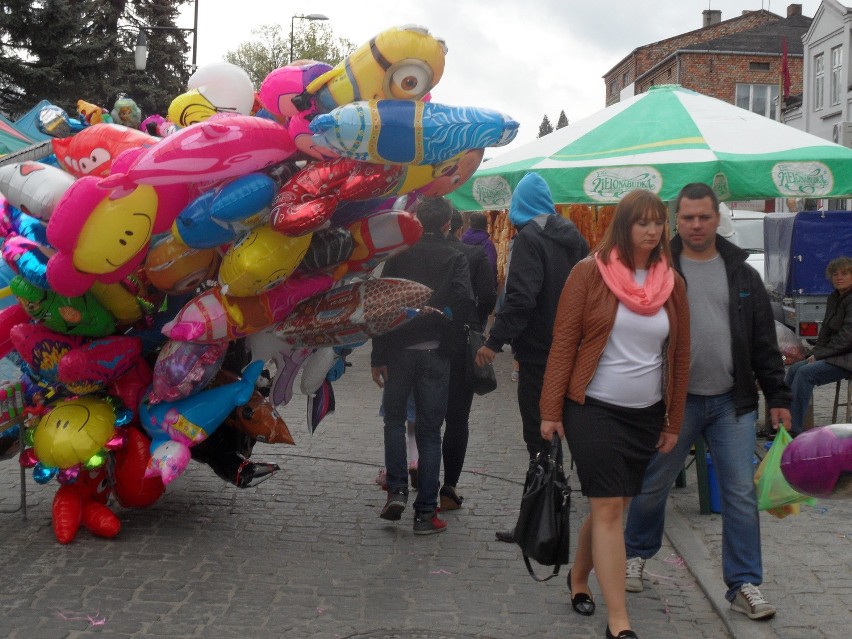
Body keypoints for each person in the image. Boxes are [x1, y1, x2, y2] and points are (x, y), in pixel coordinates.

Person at [623, 182, 792, 622]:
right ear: (675, 221)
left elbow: (762, 341)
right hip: (672, 404)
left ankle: (744, 584)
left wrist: (777, 394)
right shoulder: (658, 266)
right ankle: (635, 554)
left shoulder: (741, 272)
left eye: (704, 216)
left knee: (739, 494)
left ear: (718, 218)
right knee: (651, 485)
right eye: (688, 217)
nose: (696, 225)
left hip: (731, 402)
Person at [539, 189, 690, 639]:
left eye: (658, 222)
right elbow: (564, 342)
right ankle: (619, 620)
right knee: (607, 507)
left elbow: (679, 356)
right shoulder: (589, 273)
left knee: (613, 505)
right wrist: (549, 410)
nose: (651, 231)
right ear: (623, 225)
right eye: (641, 222)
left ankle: (579, 577)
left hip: (645, 413)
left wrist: (673, 421)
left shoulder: (671, 282)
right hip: (594, 408)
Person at [474, 172, 589, 543]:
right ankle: (546, 519)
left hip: (540, 354)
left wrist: (494, 341)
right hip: (574, 351)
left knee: (538, 441)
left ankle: (538, 525)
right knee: (562, 438)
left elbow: (522, 297)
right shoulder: (576, 240)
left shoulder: (529, 240)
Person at [370, 196, 475, 535]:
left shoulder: (401, 256)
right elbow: (464, 300)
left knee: (394, 422)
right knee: (430, 432)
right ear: (447, 224)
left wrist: (378, 355)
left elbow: (380, 304)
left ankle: (397, 491)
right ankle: (426, 512)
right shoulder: (455, 257)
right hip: (435, 354)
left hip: (399, 352)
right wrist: (449, 338)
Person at [438, 208, 496, 509]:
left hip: (429, 340)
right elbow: (488, 296)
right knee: (457, 417)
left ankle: (421, 477)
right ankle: (449, 486)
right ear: (458, 227)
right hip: (462, 342)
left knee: (427, 418)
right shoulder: (474, 256)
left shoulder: (422, 252)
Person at [784, 256, 852, 436]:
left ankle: (794, 431)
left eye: (845, 273)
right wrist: (813, 353)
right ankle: (784, 422)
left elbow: (847, 338)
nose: (839, 277)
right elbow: (825, 333)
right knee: (793, 370)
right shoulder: (835, 297)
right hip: (837, 355)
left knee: (805, 374)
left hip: (847, 358)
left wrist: (820, 356)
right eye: (835, 274)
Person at [462, 211, 498, 283]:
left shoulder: (461, 241)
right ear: (486, 226)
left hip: (464, 285)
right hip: (481, 287)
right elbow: (491, 266)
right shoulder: (487, 244)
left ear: (470, 225)